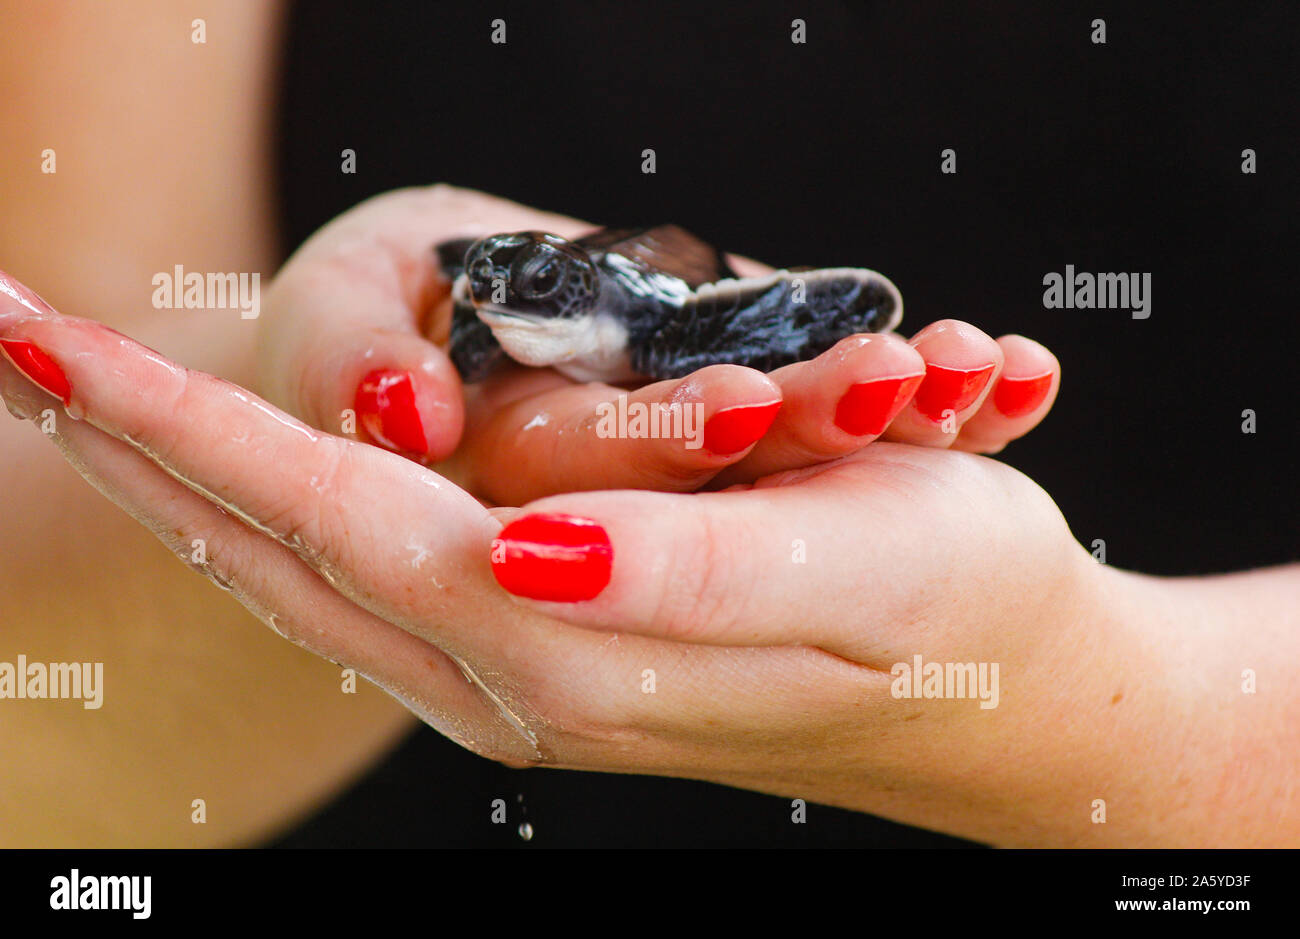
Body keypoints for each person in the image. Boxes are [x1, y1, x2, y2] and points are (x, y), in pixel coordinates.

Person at [0, 1, 1294, 848]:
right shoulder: (499, 309)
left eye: (523, 296)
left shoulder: (651, 320)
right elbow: (39, 733)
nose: (501, 308)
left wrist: (1121, 703)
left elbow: (801, 307)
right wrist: (305, 428)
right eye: (487, 293)